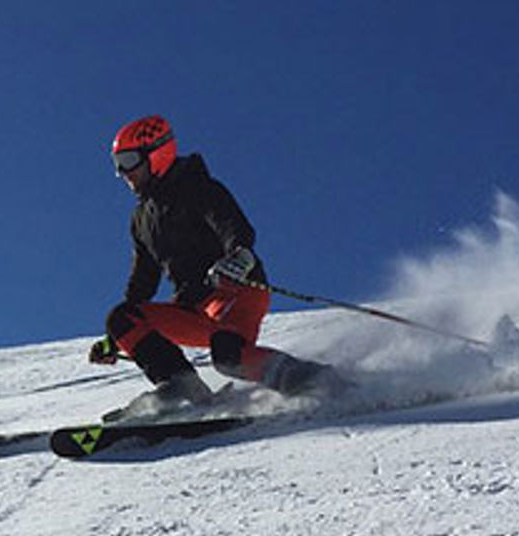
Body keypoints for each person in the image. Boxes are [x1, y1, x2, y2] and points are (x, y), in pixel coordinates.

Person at [89, 115, 341, 419]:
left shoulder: (198, 187)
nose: (123, 173)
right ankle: (183, 388)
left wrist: (239, 256)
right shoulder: (141, 219)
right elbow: (143, 280)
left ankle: (323, 383)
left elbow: (232, 226)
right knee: (121, 318)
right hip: (193, 306)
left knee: (228, 356)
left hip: (234, 290)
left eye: (129, 161)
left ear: (157, 153)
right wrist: (114, 339)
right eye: (118, 164)